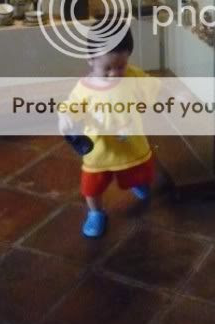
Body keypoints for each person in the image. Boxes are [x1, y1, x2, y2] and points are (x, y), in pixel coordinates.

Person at [59, 20, 159, 239]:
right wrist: (65, 116)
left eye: (120, 66)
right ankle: (96, 212)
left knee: (139, 170)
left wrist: (175, 94)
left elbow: (154, 87)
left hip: (132, 144)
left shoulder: (133, 76)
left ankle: (137, 182)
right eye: (107, 69)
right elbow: (71, 106)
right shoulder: (85, 88)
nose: (114, 74)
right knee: (91, 187)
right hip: (100, 150)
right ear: (90, 60)